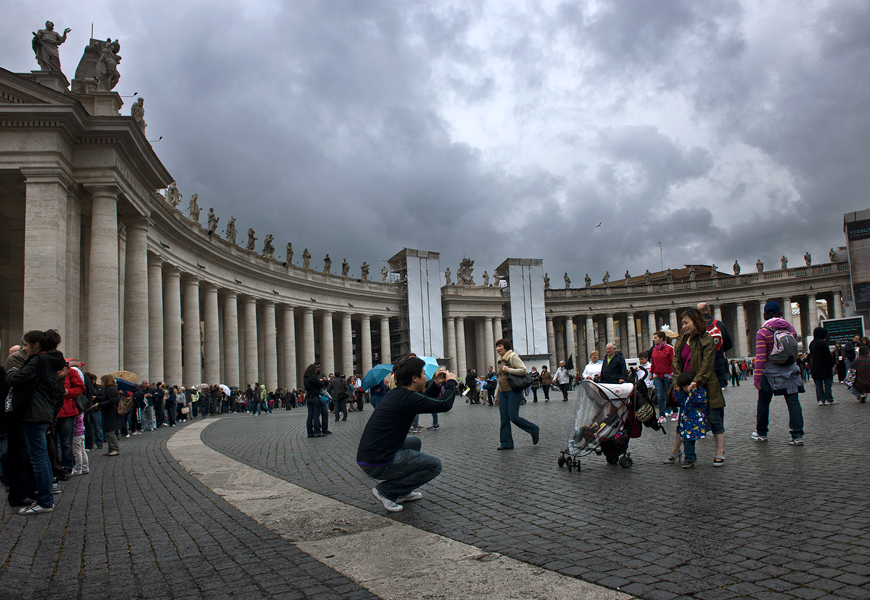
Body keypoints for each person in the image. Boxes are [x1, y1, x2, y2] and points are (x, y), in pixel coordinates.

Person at [357, 357, 457, 512]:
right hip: (378, 461)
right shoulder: (406, 397)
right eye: (424, 374)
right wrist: (451, 382)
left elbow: (425, 400)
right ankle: (387, 491)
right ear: (414, 378)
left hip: (370, 455)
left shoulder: (399, 393)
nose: (426, 377)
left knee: (414, 442)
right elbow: (444, 404)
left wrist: (436, 385)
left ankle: (402, 491)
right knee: (434, 465)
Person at [5, 330, 66, 515]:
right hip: (43, 412)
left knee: (38, 459)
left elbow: (18, 379)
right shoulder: (51, 362)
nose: (23, 349)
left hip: (33, 413)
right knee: (42, 459)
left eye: (25, 345)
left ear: (36, 345)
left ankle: (45, 501)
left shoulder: (38, 360)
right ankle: (46, 498)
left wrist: (11, 372)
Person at [664, 308, 726, 466]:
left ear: (696, 322)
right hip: (685, 386)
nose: (683, 326)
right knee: (686, 420)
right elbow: (676, 362)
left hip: (706, 385)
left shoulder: (707, 340)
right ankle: (689, 456)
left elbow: (707, 364)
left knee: (714, 419)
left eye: (686, 322)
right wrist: (679, 382)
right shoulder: (681, 340)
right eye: (682, 323)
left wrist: (696, 382)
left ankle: (720, 452)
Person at [752, 301, 804, 445]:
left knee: (763, 402)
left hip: (769, 373)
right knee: (793, 402)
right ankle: (797, 436)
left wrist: (757, 379)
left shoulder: (762, 332)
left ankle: (762, 433)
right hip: (790, 371)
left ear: (765, 315)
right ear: (780, 312)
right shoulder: (791, 328)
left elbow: (761, 357)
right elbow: (794, 351)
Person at [494, 339, 540, 450]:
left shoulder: (512, 356)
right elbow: (500, 379)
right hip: (503, 392)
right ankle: (506, 443)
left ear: (505, 346)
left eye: (500, 346)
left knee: (513, 417)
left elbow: (523, 370)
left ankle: (533, 429)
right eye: (496, 346)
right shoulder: (500, 360)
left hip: (513, 391)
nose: (497, 348)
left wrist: (509, 370)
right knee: (504, 418)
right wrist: (496, 395)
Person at [671, 371, 708, 469]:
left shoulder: (700, 391)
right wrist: (677, 391)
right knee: (686, 439)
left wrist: (693, 391)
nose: (685, 389)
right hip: (686, 420)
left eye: (686, 386)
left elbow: (698, 401)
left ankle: (690, 457)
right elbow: (680, 401)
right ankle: (689, 457)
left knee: (690, 438)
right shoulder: (683, 393)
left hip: (696, 419)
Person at [697, 302, 733, 389]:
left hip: (700, 365)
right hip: (717, 364)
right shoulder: (719, 324)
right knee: (717, 393)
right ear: (709, 310)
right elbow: (729, 344)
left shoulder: (694, 326)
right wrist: (718, 351)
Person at [650, 332, 675, 422]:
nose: (653, 339)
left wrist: (671, 374)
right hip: (657, 376)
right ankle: (662, 415)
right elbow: (653, 362)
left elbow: (673, 361)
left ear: (661, 338)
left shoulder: (670, 348)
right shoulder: (654, 350)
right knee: (659, 396)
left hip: (667, 376)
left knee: (670, 395)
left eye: (655, 338)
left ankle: (675, 411)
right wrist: (651, 373)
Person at [808, 327, 835, 405]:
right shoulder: (823, 343)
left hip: (815, 367)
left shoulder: (812, 343)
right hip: (825, 367)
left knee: (818, 385)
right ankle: (829, 399)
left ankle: (820, 400)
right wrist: (831, 364)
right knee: (827, 383)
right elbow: (827, 356)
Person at [303, 364, 330, 437]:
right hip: (315, 397)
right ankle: (317, 432)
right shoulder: (313, 376)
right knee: (316, 415)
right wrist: (322, 381)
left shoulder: (305, 377)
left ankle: (310, 432)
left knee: (310, 416)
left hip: (309, 398)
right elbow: (321, 385)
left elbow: (305, 387)